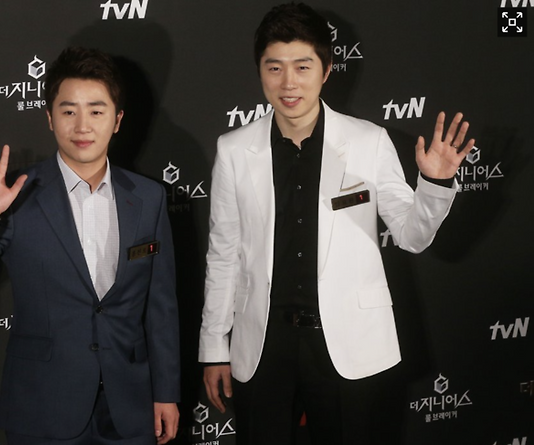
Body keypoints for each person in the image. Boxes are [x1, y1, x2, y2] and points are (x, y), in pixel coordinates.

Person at [198, 3, 474, 445]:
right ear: (260, 71)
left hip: (350, 341)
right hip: (263, 343)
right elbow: (223, 254)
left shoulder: (368, 141)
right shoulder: (233, 149)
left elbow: (412, 236)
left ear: (326, 70)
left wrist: (435, 184)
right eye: (275, 67)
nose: (289, 83)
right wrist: (214, 346)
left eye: (302, 67)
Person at [0, 47, 180, 445]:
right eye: (69, 111)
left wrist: (166, 392)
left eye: (96, 111)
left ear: (117, 120)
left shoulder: (149, 197)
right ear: (50, 118)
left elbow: (161, 306)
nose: (82, 125)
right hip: (42, 408)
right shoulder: (17, 195)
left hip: (130, 407)